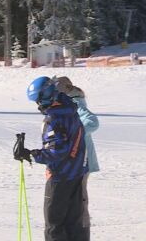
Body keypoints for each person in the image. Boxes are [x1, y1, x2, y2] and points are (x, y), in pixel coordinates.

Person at [16, 76, 89, 241]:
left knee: (54, 226)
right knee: (73, 224)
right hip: (76, 174)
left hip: (60, 178)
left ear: (45, 97)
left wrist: (31, 154)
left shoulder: (54, 118)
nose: (38, 106)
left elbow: (57, 152)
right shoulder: (69, 109)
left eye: (37, 100)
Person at [53, 76, 99, 236]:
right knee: (72, 200)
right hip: (75, 161)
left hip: (81, 161)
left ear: (65, 90)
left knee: (79, 199)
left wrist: (74, 134)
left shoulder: (76, 103)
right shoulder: (69, 102)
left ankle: (81, 231)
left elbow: (92, 122)